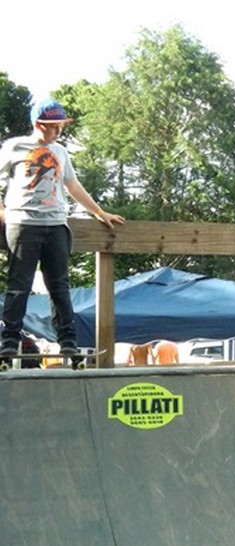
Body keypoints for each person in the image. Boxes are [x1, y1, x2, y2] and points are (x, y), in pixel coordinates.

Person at [0, 98, 125, 356]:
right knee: (18, 284)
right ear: (38, 124)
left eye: (60, 127)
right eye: (52, 127)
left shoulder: (60, 152)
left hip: (56, 224)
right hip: (23, 223)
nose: (57, 132)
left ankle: (68, 342)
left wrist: (99, 212)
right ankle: (9, 341)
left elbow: (73, 185)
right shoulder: (15, 147)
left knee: (59, 285)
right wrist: (2, 212)